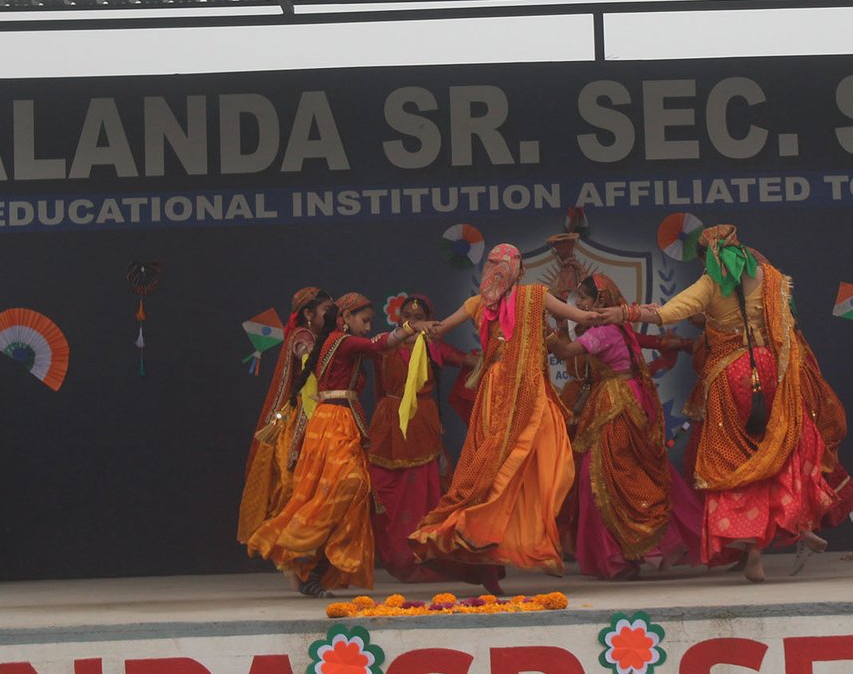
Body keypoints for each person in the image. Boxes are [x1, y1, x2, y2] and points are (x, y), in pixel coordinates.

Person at [614, 224, 853, 582]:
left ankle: (753, 549)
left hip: (730, 378)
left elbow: (668, 313)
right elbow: (787, 321)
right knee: (779, 449)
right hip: (769, 368)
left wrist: (625, 313)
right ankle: (798, 520)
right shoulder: (768, 277)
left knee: (734, 463)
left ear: (706, 257)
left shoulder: (709, 284)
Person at [407, 243, 597, 588]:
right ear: (520, 271)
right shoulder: (535, 296)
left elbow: (437, 329)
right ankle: (507, 542)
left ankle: (515, 544)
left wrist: (409, 328)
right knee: (542, 465)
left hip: (498, 390)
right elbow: (583, 318)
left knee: (496, 471)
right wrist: (630, 314)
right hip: (524, 392)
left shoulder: (479, 303)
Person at [247, 291, 423, 596]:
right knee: (350, 483)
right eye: (364, 320)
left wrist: (416, 336)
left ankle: (312, 570)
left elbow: (380, 347)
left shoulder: (339, 343)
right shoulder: (341, 342)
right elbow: (378, 344)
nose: (368, 327)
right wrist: (410, 327)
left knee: (347, 496)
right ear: (345, 318)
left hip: (338, 421)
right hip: (333, 423)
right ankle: (297, 541)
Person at [548, 273, 703, 580]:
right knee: (627, 473)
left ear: (599, 301)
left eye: (583, 298)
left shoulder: (602, 332)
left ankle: (625, 556)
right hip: (626, 401)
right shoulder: (617, 326)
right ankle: (633, 553)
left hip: (615, 406)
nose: (579, 303)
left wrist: (544, 333)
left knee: (603, 478)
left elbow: (565, 353)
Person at [366, 293, 478, 582]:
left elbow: (467, 361)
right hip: (389, 425)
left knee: (423, 493)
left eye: (419, 318)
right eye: (407, 317)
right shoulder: (385, 344)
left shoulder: (433, 346)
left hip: (422, 424)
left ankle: (424, 556)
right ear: (398, 318)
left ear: (430, 320)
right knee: (383, 490)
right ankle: (395, 556)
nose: (412, 322)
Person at [236, 286, 334, 546]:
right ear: (309, 314)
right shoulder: (303, 336)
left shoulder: (319, 335)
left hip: (319, 410)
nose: (332, 314)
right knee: (294, 480)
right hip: (302, 412)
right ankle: (289, 544)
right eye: (327, 309)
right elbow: (307, 357)